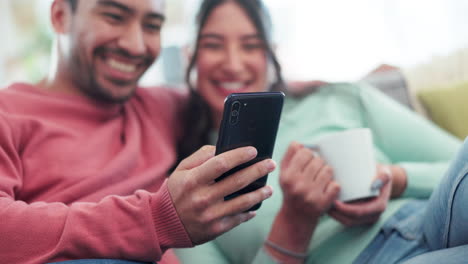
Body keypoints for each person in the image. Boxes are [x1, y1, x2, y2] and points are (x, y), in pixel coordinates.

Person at [173, 0, 463, 263]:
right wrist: (295, 222)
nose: (233, 64)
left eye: (251, 45)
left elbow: (457, 165)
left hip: (430, 216)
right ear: (190, 56)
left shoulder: (339, 98)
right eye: (213, 45)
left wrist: (396, 179)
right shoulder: (188, 188)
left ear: (270, 55)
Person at [0, 0, 277, 263]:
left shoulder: (160, 107)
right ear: (60, 16)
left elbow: (221, 86)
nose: (136, 45)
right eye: (114, 17)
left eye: (152, 26)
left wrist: (299, 85)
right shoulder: (8, 113)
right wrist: (155, 219)